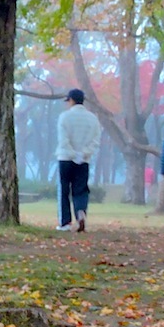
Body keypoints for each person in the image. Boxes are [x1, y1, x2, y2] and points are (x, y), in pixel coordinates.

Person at [55, 88, 100, 232]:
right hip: (84, 160)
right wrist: (83, 154)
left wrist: (73, 154)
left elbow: (63, 140)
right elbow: (95, 141)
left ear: (72, 100)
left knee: (63, 190)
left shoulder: (64, 117)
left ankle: (65, 222)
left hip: (65, 158)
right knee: (81, 189)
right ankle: (81, 211)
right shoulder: (92, 118)